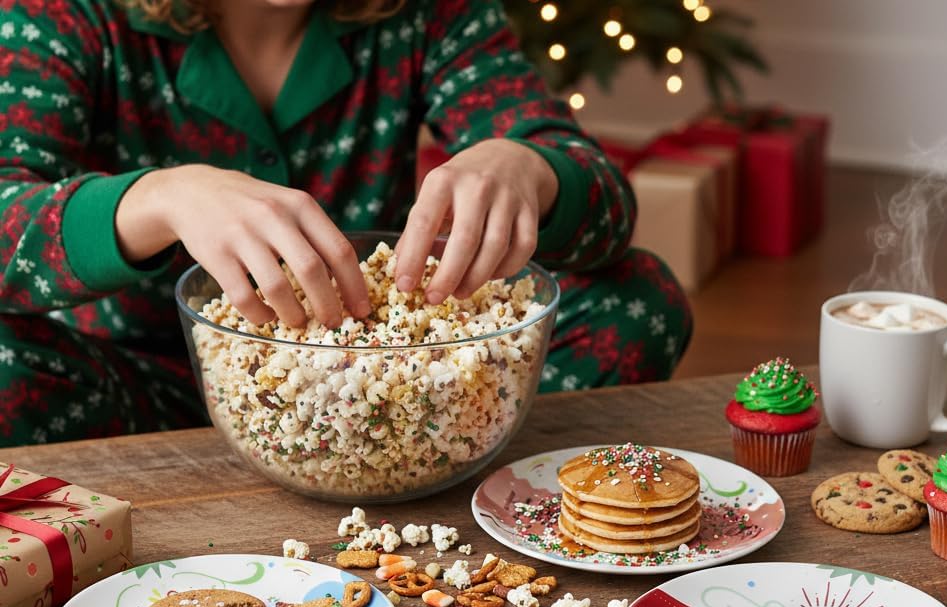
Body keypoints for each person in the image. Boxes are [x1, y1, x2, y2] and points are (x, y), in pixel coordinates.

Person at [0, 0, 692, 446]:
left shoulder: (429, 13)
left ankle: (417, 461)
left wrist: (530, 166)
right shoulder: (67, 14)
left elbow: (606, 208)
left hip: (394, 389)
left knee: (639, 299)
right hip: (140, 391)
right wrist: (156, 198)